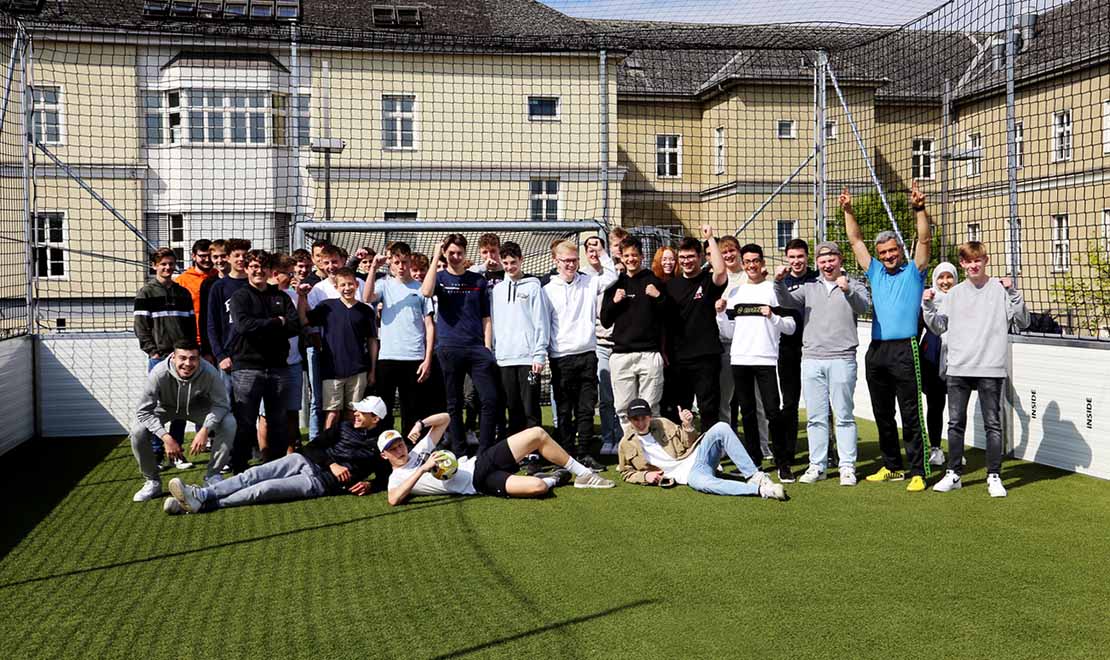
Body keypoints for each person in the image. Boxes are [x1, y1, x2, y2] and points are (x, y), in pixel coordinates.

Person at [841, 181, 933, 492]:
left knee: (910, 412)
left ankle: (919, 469)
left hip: (905, 350)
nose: (889, 255)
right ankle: (892, 466)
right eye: (884, 252)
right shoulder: (876, 272)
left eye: (893, 250)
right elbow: (854, 241)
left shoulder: (914, 272)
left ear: (900, 251)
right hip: (877, 350)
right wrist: (848, 211)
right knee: (882, 412)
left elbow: (924, 238)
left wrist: (919, 208)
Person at [924, 241, 1029, 498]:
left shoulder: (1000, 290)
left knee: (993, 425)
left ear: (986, 260)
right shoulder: (955, 294)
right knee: (955, 423)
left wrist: (1014, 293)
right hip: (958, 367)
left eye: (977, 260)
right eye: (968, 261)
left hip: (991, 368)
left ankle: (994, 476)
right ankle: (954, 474)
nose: (973, 265)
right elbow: (938, 327)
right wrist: (927, 306)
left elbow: (1023, 322)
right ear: (962, 264)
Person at [163, 396, 390, 514]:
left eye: (362, 412)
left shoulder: (379, 446)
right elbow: (312, 447)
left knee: (263, 489)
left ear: (376, 419)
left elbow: (386, 476)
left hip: (318, 483)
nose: (356, 413)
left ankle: (201, 505)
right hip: (304, 460)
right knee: (252, 475)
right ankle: (201, 494)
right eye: (357, 410)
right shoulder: (343, 427)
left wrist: (371, 486)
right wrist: (332, 464)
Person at [774, 241, 871, 486]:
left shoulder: (854, 284)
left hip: (842, 358)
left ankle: (846, 466)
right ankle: (817, 466)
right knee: (816, 417)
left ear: (840, 259)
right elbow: (786, 302)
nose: (827, 264)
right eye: (823, 260)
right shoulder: (809, 287)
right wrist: (777, 282)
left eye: (832, 259)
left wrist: (847, 289)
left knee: (844, 415)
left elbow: (864, 306)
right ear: (817, 263)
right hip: (812, 360)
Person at [384, 411, 615, 506]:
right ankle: (555, 477)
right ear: (385, 455)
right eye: (392, 449)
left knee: (537, 434)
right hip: (478, 485)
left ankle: (583, 474)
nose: (399, 449)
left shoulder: (418, 449)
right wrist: (423, 469)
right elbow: (394, 499)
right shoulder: (396, 478)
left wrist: (421, 423)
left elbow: (445, 419)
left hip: (479, 463)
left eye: (400, 443)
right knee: (537, 488)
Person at [720, 243, 796, 480]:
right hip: (740, 360)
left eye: (756, 261)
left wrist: (772, 316)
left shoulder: (773, 290)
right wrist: (719, 314)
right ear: (743, 265)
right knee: (748, 413)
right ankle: (754, 463)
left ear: (762, 263)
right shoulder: (735, 294)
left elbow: (791, 327)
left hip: (766, 360)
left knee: (773, 412)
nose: (752, 265)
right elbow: (730, 332)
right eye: (748, 262)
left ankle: (783, 464)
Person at [420, 234, 499, 458]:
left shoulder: (478, 281)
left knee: (489, 399)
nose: (455, 257)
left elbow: (486, 317)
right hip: (449, 348)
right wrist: (436, 256)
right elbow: (425, 291)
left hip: (476, 349)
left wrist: (487, 348)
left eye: (459, 253)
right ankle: (460, 452)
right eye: (451, 253)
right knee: (454, 404)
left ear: (465, 254)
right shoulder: (440, 278)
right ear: (446, 253)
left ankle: (484, 452)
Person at [129, 340, 235, 504]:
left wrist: (205, 429)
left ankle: (213, 475)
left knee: (229, 423)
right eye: (182, 358)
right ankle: (152, 482)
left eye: (193, 358)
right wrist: (166, 437)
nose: (187, 363)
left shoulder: (209, 372)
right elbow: (143, 411)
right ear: (173, 357)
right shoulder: (158, 373)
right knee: (138, 430)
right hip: (165, 407)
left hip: (197, 406)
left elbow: (221, 405)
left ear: (199, 359)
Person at [616, 399, 785, 500]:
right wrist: (646, 475)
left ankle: (755, 476)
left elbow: (688, 443)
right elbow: (626, 473)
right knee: (703, 484)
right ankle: (762, 490)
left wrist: (687, 425)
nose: (640, 422)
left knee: (721, 427)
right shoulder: (626, 443)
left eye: (643, 417)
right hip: (689, 476)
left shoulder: (663, 423)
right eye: (635, 419)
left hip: (696, 456)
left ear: (649, 416)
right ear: (630, 420)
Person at [544, 240, 617, 471]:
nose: (571, 265)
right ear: (556, 262)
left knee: (586, 408)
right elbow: (544, 324)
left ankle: (585, 452)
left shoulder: (589, 281)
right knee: (564, 409)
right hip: (560, 357)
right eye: (566, 261)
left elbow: (612, 275)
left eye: (575, 260)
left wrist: (602, 253)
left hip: (587, 355)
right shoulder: (547, 290)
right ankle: (565, 454)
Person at [227, 249, 302, 471]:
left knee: (278, 420)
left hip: (279, 367)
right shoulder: (240, 297)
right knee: (246, 421)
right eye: (254, 267)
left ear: (270, 270)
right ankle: (239, 466)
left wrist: (265, 324)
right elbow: (243, 326)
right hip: (247, 368)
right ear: (247, 269)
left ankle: (274, 467)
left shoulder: (281, 296)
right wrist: (275, 323)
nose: (258, 271)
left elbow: (294, 325)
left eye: (263, 267)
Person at [366, 241, 439, 434]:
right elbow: (367, 297)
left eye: (405, 262)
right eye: (397, 262)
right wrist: (373, 267)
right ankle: (385, 451)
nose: (401, 267)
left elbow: (429, 326)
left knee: (413, 410)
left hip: (414, 357)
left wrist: (427, 359)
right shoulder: (384, 285)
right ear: (390, 263)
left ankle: (411, 452)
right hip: (388, 357)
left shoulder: (421, 289)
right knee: (384, 410)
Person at [134, 247, 196, 470]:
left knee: (181, 406)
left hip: (182, 359)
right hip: (159, 359)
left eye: (171, 264)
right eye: (163, 264)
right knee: (158, 408)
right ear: (154, 266)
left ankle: (177, 454)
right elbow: (141, 328)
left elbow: (190, 326)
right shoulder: (146, 293)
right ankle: (157, 454)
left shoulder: (183, 293)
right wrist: (153, 351)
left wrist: (189, 352)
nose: (168, 268)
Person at [663, 226, 727, 431]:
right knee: (681, 409)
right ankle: (685, 450)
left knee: (709, 407)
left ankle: (712, 455)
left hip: (706, 356)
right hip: (679, 358)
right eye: (682, 257)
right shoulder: (671, 286)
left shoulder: (708, 281)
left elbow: (721, 270)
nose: (686, 261)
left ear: (700, 257)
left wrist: (709, 238)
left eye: (690, 257)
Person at [601, 236, 668, 429]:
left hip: (649, 353)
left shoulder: (653, 280)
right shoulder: (615, 283)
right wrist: (614, 302)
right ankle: (634, 451)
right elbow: (605, 320)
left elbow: (669, 315)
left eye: (635, 255)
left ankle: (654, 453)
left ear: (642, 256)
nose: (631, 259)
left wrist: (658, 297)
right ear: (621, 257)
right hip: (621, 354)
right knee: (623, 408)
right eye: (627, 255)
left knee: (650, 408)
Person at [300, 267, 377, 431]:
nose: (347, 288)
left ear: (356, 285)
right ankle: (328, 449)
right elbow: (304, 319)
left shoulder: (365, 311)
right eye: (343, 285)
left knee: (352, 413)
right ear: (336, 287)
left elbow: (372, 341)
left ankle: (348, 446)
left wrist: (372, 370)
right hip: (332, 371)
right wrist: (301, 297)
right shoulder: (326, 307)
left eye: (350, 284)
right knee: (332, 413)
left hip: (358, 370)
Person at [305, 244, 366, 441]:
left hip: (354, 356)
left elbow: (365, 314)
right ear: (321, 264)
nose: (331, 266)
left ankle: (348, 442)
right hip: (328, 356)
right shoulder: (318, 290)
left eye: (335, 262)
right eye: (327, 263)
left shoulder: (357, 284)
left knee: (352, 407)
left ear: (343, 261)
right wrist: (321, 347)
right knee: (323, 404)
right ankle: (319, 442)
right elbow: (310, 322)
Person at [491, 242, 550, 435]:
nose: (509, 267)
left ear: (521, 260)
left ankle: (534, 454)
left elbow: (541, 322)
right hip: (504, 359)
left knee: (531, 408)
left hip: (528, 359)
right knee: (513, 407)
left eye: (513, 262)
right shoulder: (497, 290)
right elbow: (494, 323)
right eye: (505, 263)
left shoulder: (534, 287)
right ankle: (517, 452)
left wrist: (539, 355)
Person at [777, 238, 819, 479]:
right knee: (790, 404)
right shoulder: (782, 282)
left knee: (820, 404)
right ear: (786, 258)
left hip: (816, 348)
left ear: (807, 257)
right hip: (788, 350)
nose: (796, 261)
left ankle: (827, 450)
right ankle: (789, 453)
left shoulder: (817, 278)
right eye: (792, 257)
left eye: (800, 256)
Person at [258, 254, 305, 456]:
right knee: (265, 414)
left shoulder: (292, 295)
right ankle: (266, 456)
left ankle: (290, 454)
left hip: (293, 362)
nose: (294, 277)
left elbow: (299, 324)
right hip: (267, 364)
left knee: (292, 411)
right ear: (276, 274)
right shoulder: (260, 296)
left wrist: (302, 297)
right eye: (290, 273)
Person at [585, 236, 622, 456]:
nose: (593, 252)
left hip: (619, 342)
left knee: (622, 396)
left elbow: (612, 275)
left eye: (596, 247)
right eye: (589, 248)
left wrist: (604, 254)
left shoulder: (614, 274)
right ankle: (608, 437)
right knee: (606, 396)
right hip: (599, 342)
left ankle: (622, 437)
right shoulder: (583, 276)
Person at [920, 262, 957, 467]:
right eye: (941, 277)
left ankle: (956, 449)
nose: (945, 282)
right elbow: (918, 327)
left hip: (957, 357)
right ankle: (935, 448)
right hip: (932, 357)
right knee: (935, 406)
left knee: (956, 408)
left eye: (949, 277)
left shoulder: (962, 297)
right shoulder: (928, 299)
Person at [205, 238, 251, 382]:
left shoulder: (255, 284)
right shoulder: (218, 287)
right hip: (229, 357)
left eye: (244, 255)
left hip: (254, 358)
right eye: (237, 255)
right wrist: (220, 355)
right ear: (228, 258)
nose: (241, 259)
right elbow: (212, 325)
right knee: (228, 402)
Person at [175, 239, 217, 347]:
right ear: (194, 256)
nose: (207, 259)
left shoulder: (220, 278)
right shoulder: (181, 281)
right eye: (202, 256)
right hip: (192, 340)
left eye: (210, 256)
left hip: (217, 339)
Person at [198, 238, 230, 363]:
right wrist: (207, 350)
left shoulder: (243, 281)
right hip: (215, 347)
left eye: (223, 256)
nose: (219, 261)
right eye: (215, 257)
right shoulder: (208, 284)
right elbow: (204, 319)